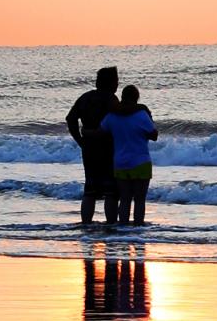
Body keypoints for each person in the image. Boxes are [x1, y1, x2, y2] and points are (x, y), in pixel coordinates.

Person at [66, 67, 120, 224]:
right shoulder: (111, 99)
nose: (117, 83)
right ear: (110, 82)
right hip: (108, 148)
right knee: (111, 191)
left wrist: (80, 140)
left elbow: (71, 119)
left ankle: (86, 224)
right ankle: (111, 224)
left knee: (90, 189)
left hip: (89, 149)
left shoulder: (85, 98)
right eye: (116, 80)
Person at [100, 85, 158, 225]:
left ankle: (123, 228)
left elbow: (102, 131)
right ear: (136, 98)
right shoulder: (141, 114)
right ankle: (137, 228)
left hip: (120, 162)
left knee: (125, 199)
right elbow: (154, 135)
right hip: (140, 161)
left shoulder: (112, 115)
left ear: (122, 97)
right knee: (139, 199)